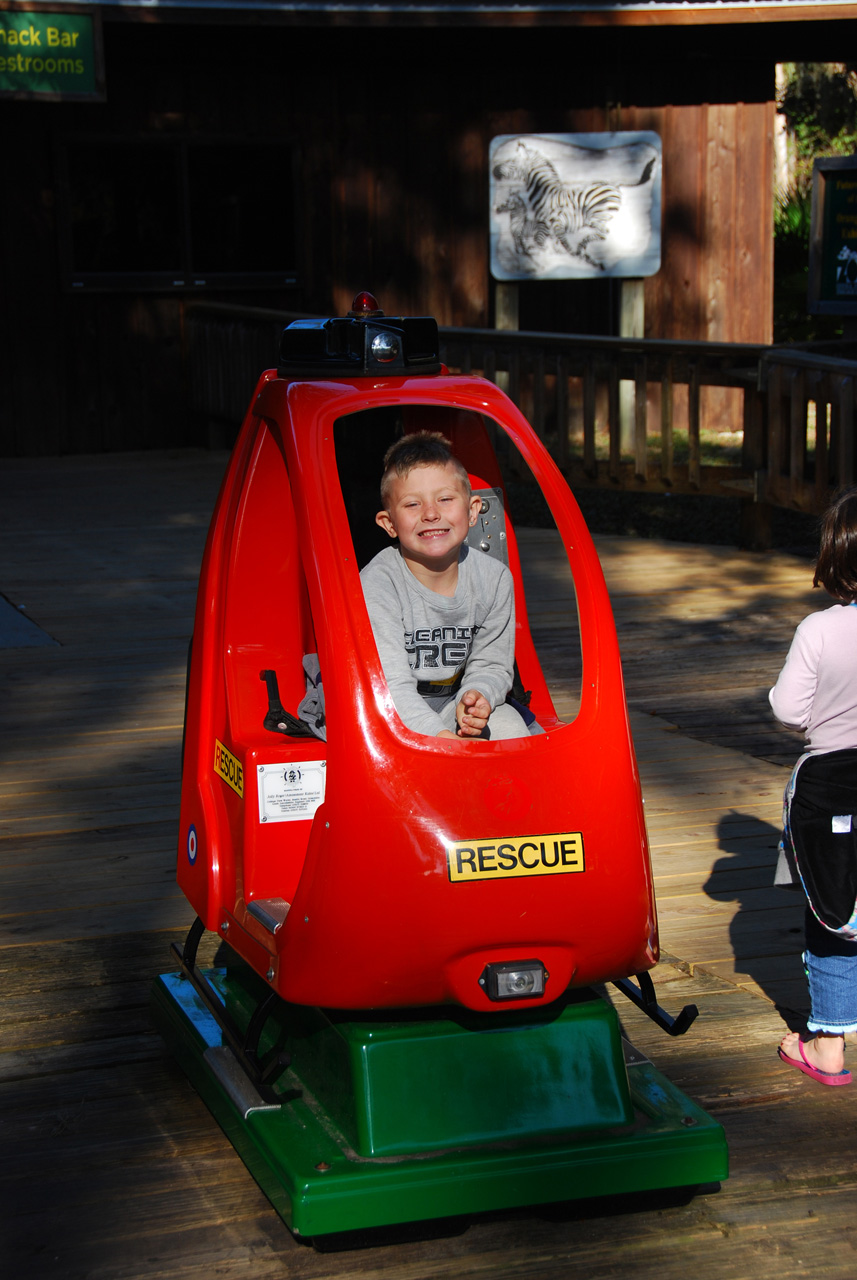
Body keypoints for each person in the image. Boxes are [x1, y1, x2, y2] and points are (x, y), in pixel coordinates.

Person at [360, 431, 531, 741]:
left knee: (513, 733)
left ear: (472, 510)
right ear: (389, 524)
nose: (430, 513)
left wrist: (477, 697)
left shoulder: (494, 580)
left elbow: (491, 664)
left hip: (453, 702)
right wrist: (441, 739)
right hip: (386, 710)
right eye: (412, 504)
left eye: (445, 499)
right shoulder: (378, 583)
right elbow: (389, 686)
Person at [770, 486, 857, 1086]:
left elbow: (786, 708)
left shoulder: (820, 631)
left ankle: (828, 1043)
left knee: (831, 911)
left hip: (830, 786)